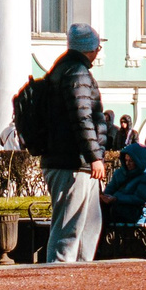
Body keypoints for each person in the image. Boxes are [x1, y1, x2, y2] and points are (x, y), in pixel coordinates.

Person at [37, 23, 108, 264]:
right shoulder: (77, 73)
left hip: (72, 162)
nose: (99, 52)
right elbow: (83, 117)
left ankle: (78, 281)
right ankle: (57, 281)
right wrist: (94, 157)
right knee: (69, 230)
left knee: (86, 227)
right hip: (73, 164)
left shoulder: (62, 69)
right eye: (97, 46)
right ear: (89, 48)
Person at [101, 140, 146, 250]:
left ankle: (99, 245)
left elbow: (139, 198)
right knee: (96, 209)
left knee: (103, 212)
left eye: (131, 161)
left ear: (139, 161)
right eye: (126, 160)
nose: (128, 163)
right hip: (117, 206)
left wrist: (116, 199)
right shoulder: (120, 173)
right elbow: (109, 189)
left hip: (136, 211)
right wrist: (104, 197)